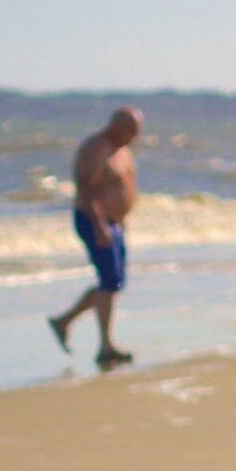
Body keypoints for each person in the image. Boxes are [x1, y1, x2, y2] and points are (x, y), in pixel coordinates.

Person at [50, 107, 144, 366]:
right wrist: (100, 224)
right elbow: (87, 190)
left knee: (114, 282)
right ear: (117, 125)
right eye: (130, 131)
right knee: (109, 282)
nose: (133, 137)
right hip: (95, 222)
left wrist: (122, 219)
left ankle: (64, 321)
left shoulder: (122, 150)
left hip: (115, 223)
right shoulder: (96, 149)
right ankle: (105, 346)